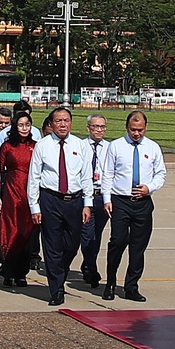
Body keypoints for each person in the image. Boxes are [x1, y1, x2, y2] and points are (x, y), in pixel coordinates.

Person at [26, 105, 91, 306]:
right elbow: (34, 177)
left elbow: (86, 176)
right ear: (51, 124)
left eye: (66, 121)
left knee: (72, 245)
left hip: (74, 201)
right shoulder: (42, 145)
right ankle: (56, 289)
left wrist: (87, 203)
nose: (62, 124)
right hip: (50, 199)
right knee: (52, 245)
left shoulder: (80, 145)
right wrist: (34, 206)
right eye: (58, 121)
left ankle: (60, 271)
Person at [100, 109, 166, 301]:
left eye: (140, 130)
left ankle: (131, 286)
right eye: (133, 129)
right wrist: (107, 199)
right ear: (126, 127)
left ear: (145, 128)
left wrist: (149, 187)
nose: (136, 133)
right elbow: (108, 174)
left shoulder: (152, 147)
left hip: (142, 202)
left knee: (138, 247)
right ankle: (110, 282)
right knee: (117, 242)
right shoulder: (116, 146)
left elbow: (160, 173)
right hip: (120, 201)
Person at [0, 107, 38, 288]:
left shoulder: (36, 146)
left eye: (27, 125)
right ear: (15, 127)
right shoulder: (7, 146)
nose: (24, 128)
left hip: (29, 193)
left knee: (27, 233)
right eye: (21, 125)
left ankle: (21, 273)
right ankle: (7, 271)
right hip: (10, 193)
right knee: (10, 231)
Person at [76, 113, 114, 289]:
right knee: (87, 233)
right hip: (86, 195)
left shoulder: (110, 148)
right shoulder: (81, 146)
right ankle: (91, 268)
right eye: (95, 126)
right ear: (88, 128)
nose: (99, 130)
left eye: (102, 127)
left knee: (96, 235)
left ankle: (87, 264)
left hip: (102, 195)